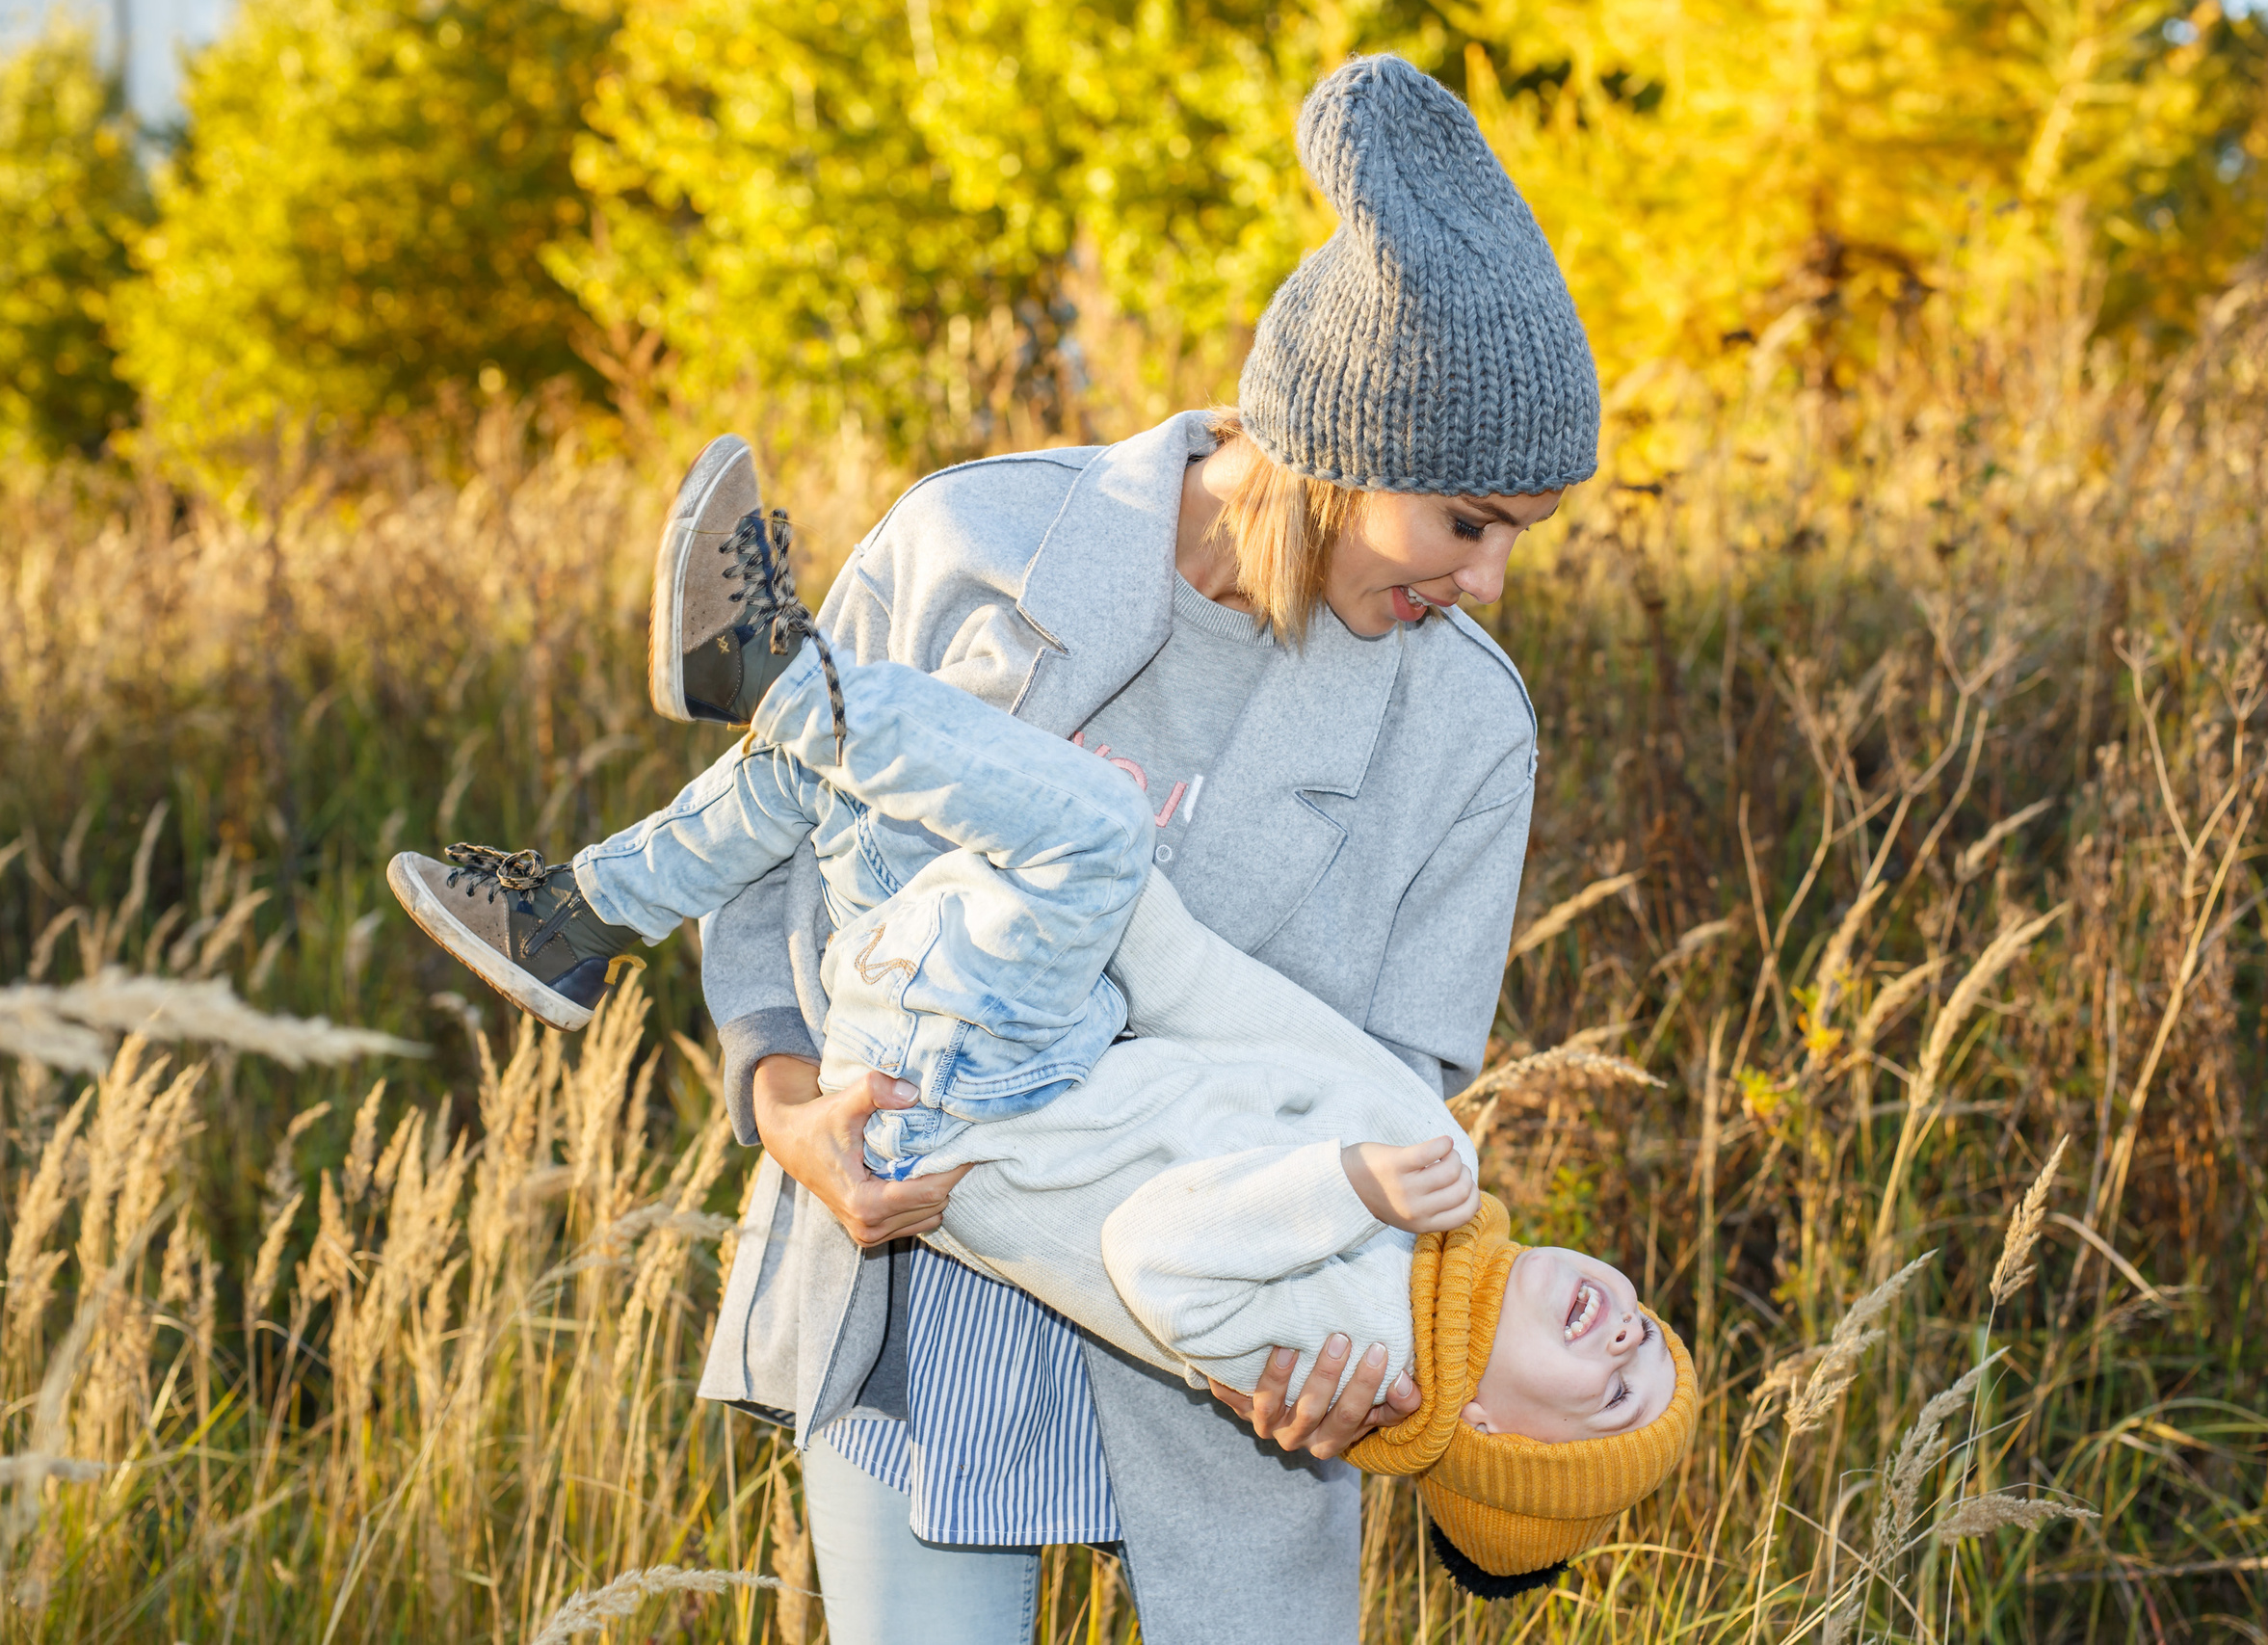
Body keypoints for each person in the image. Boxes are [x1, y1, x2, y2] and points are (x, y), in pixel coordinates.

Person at [412, 50, 1601, 1644]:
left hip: (1223, 1339)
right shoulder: (973, 541)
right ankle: (592, 898)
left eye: (1518, 534)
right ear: (1336, 441)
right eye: (1467, 521)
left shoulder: (1465, 726)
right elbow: (772, 865)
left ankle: (615, 865)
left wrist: (1356, 1358)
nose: (1490, 580)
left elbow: (1390, 1075)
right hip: (928, 1265)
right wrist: (784, 1107)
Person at [389, 607, 1700, 1593]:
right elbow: (1212, 999)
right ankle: (575, 918)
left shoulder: (1354, 1349)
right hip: (1022, 1027)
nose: (1625, 1332)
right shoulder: (1437, 1171)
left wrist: (1338, 1182)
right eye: (1651, 1331)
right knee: (855, 762)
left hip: (963, 1107)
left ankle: (772, 673)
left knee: (1048, 812)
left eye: (1612, 1388)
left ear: (1491, 1434)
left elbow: (1152, 1255)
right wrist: (1114, 895)